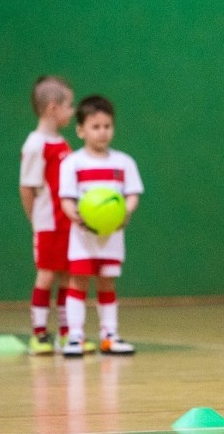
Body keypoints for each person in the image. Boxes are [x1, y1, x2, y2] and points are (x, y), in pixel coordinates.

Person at [59, 95, 143, 357]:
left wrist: (124, 213)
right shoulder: (72, 163)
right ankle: (75, 337)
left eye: (107, 126)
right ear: (81, 130)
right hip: (83, 237)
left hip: (112, 236)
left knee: (107, 283)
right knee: (78, 282)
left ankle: (109, 335)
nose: (102, 132)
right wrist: (76, 216)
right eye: (95, 127)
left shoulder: (124, 162)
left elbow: (132, 195)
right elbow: (67, 200)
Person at [19, 76, 75, 355]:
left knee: (67, 276)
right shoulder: (35, 145)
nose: (72, 111)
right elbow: (27, 187)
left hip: (66, 223)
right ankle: (38, 334)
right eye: (69, 105)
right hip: (48, 223)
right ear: (53, 108)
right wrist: (36, 221)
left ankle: (67, 334)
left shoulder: (62, 143)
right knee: (46, 276)